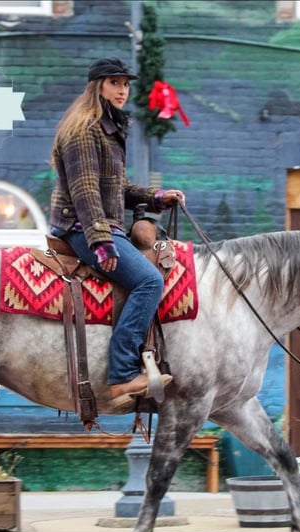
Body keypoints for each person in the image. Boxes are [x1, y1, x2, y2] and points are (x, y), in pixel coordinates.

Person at [49, 56, 186, 407]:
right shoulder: (83, 129)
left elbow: (116, 187)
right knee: (150, 281)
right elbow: (85, 191)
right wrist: (101, 242)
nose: (123, 90)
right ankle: (123, 374)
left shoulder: (107, 129)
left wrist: (156, 197)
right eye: (115, 83)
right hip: (83, 227)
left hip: (104, 226)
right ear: (98, 87)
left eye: (125, 84)